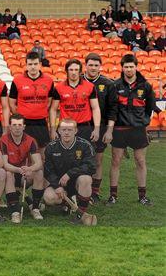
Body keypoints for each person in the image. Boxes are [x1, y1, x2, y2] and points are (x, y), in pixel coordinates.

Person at [109, 54, 156, 206]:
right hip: (120, 129)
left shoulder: (146, 86)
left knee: (140, 161)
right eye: (126, 66)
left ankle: (142, 196)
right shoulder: (115, 85)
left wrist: (142, 122)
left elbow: (149, 108)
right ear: (122, 68)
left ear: (136, 67)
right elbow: (112, 109)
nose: (129, 69)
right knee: (116, 161)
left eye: (131, 66)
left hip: (138, 129)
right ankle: (113, 196)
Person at [43, 118, 96, 224]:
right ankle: (68, 203)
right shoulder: (51, 147)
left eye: (70, 130)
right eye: (64, 129)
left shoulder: (85, 145)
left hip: (78, 183)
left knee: (86, 179)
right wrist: (56, 186)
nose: (66, 132)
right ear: (59, 131)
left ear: (76, 131)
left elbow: (91, 166)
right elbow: (48, 170)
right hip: (60, 183)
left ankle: (80, 213)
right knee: (48, 198)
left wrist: (69, 174)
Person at [82, 53, 117, 203]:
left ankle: (94, 192)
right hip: (81, 126)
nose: (93, 68)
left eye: (96, 65)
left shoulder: (108, 84)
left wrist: (109, 130)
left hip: (101, 128)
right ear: (86, 65)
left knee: (97, 160)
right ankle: (80, 190)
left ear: (100, 67)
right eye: (91, 65)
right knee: (79, 160)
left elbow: (113, 109)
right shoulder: (78, 81)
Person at [0, 114, 45, 222]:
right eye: (14, 125)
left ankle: (35, 208)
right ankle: (15, 212)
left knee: (39, 172)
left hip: (25, 173)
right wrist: (19, 170)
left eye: (19, 125)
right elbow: (5, 164)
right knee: (8, 173)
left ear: (24, 126)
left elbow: (39, 163)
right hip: (11, 173)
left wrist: (31, 169)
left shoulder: (30, 140)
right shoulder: (3, 140)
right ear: (10, 127)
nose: (17, 127)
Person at [9, 52, 54, 155]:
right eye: (30, 64)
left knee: (43, 153)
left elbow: (49, 102)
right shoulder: (17, 81)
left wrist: (38, 111)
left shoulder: (49, 81)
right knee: (23, 153)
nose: (33, 67)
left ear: (40, 64)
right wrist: (22, 115)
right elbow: (12, 103)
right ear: (26, 65)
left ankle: (42, 171)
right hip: (24, 123)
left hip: (41, 123)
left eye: (35, 64)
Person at [49, 59, 101, 143]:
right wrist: (52, 130)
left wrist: (96, 129)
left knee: (85, 154)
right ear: (66, 71)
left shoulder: (90, 86)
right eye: (71, 70)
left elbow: (95, 108)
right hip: (65, 126)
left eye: (76, 70)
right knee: (65, 154)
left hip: (84, 127)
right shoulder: (58, 88)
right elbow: (53, 110)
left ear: (80, 71)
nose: (73, 73)